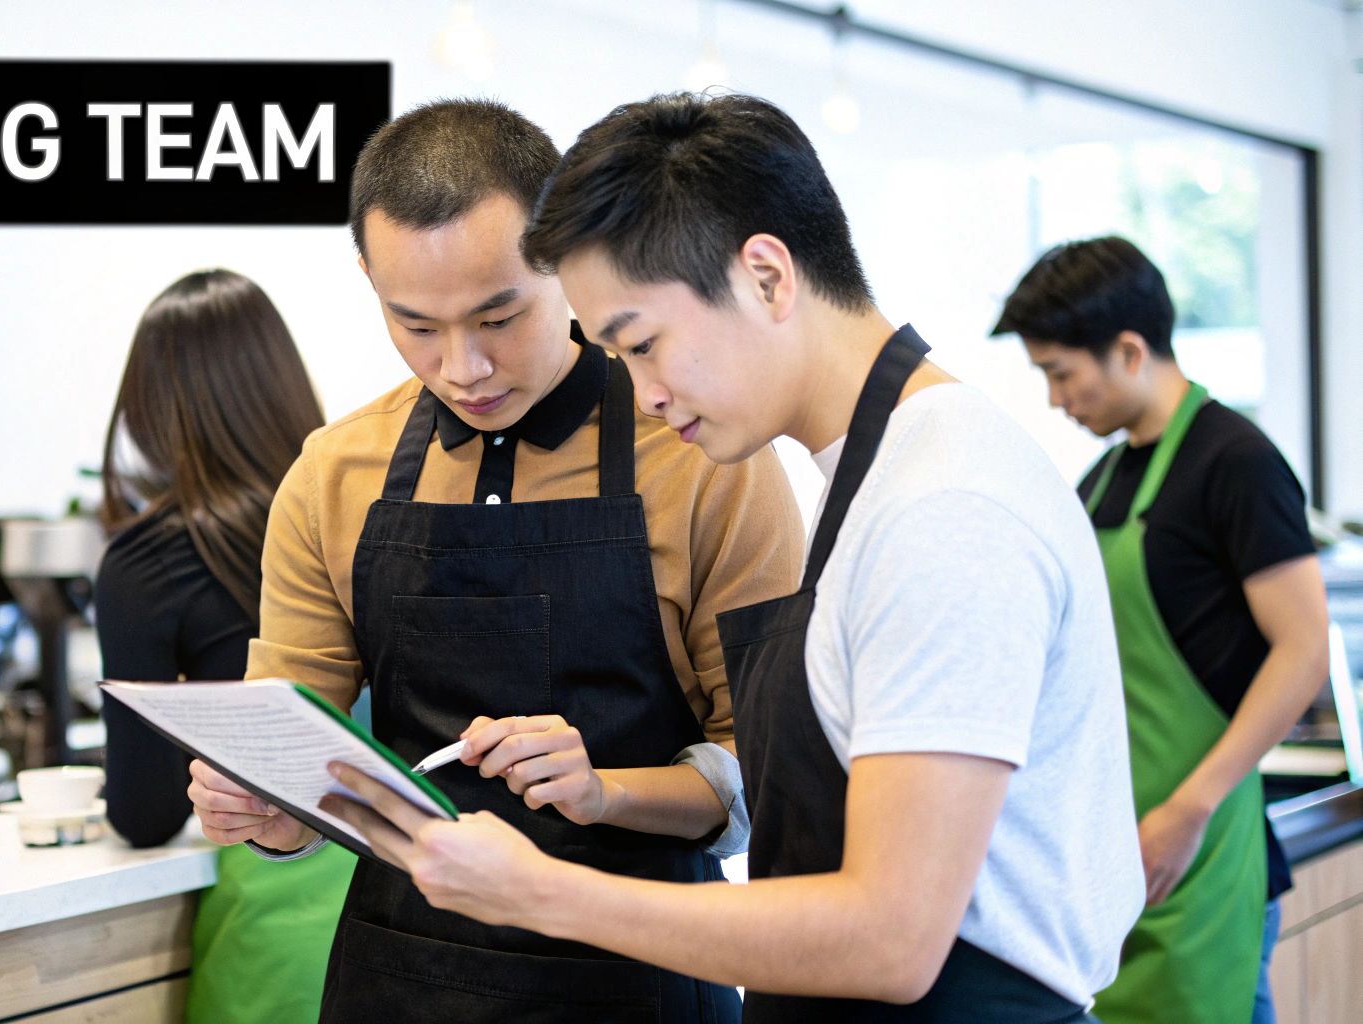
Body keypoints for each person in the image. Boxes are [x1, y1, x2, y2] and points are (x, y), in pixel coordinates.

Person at [322, 92, 1147, 1022]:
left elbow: (892, 936)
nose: (645, 393)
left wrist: (539, 890)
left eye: (643, 344)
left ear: (765, 276)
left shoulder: (943, 507)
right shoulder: (879, 474)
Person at [185, 99, 805, 1021]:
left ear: (561, 259)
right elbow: (303, 757)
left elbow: (764, 776)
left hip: (639, 976)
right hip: (401, 975)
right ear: (367, 278)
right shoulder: (334, 473)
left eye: (498, 316)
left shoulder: (704, 455)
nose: (463, 367)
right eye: (416, 326)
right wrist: (269, 816)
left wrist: (606, 793)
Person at [994, 237, 1331, 1024]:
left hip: (1203, 845)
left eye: (1060, 373)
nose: (1055, 400)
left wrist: (1190, 809)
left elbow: (1307, 645)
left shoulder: (1236, 461)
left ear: (1130, 350)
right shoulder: (1104, 479)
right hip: (1115, 854)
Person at [93, 268, 354, 1024]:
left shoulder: (149, 563)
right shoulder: (358, 512)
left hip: (274, 946)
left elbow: (140, 814)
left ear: (148, 407)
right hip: (412, 921)